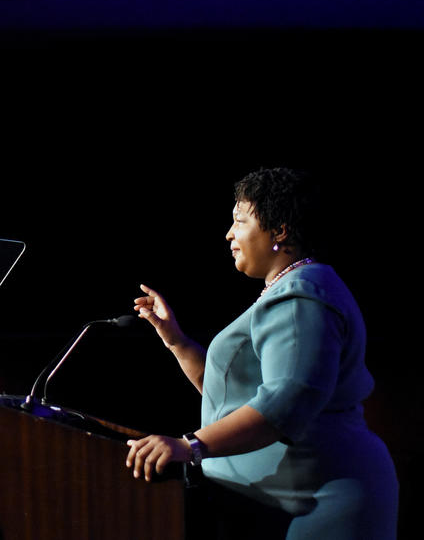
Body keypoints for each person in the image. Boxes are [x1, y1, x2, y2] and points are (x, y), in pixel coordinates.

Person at [124, 167, 398, 539]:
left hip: (319, 503)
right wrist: (176, 341)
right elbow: (233, 398)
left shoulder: (303, 294)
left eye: (240, 221)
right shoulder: (289, 290)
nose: (229, 234)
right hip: (276, 509)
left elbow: (286, 401)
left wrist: (189, 446)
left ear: (280, 230)